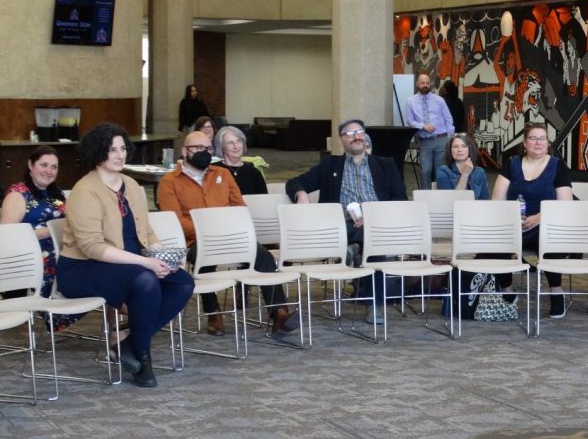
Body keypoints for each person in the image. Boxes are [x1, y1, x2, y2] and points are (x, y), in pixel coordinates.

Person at [55, 124, 195, 388]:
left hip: (129, 265)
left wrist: (162, 256)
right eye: (112, 150)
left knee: (183, 283)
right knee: (146, 280)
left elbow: (146, 231)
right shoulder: (85, 190)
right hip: (82, 268)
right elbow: (91, 247)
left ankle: (128, 342)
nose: (120, 155)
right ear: (98, 153)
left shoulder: (130, 184)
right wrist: (146, 263)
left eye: (122, 149)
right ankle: (143, 358)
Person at [159, 131, 297, 340]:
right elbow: (174, 220)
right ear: (185, 151)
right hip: (195, 240)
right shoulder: (170, 182)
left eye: (207, 148)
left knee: (265, 257)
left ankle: (279, 313)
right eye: (198, 148)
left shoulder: (223, 175)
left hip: (231, 237)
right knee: (204, 262)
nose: (204, 152)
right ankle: (213, 313)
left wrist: (227, 229)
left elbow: (239, 208)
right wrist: (209, 230)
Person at [285, 118, 407, 325]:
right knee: (371, 242)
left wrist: (371, 216)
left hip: (376, 224)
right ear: (342, 140)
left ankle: (354, 250)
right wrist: (301, 194)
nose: (356, 136)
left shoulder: (385, 164)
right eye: (350, 134)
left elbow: (400, 199)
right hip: (341, 226)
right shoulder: (330, 165)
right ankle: (373, 305)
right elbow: (294, 182)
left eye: (359, 132)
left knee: (372, 236)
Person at [492, 121, 573, 318]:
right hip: (515, 224)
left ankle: (556, 294)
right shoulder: (512, 164)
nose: (538, 143)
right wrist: (513, 218)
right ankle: (507, 292)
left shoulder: (557, 165)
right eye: (533, 138)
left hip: (546, 223)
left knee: (549, 239)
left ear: (548, 142)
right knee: (495, 241)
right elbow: (497, 200)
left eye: (542, 138)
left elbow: (564, 204)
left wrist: (539, 217)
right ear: (525, 142)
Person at [0, 146, 76, 320]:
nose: (49, 171)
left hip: (63, 249)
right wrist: (51, 231)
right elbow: (6, 237)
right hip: (33, 257)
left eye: (54, 167)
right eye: (44, 165)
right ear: (30, 165)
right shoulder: (18, 194)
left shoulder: (56, 193)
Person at [406, 72, 454, 190]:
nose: (425, 85)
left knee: (440, 171)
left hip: (441, 139)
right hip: (425, 141)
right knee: (425, 170)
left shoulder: (439, 100)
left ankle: (440, 197)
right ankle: (425, 198)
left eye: (427, 83)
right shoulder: (410, 101)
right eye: (422, 83)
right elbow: (410, 121)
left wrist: (449, 137)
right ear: (418, 84)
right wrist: (423, 126)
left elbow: (448, 118)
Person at [213, 125, 268, 196]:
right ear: (222, 147)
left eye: (239, 141)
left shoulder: (254, 173)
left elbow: (263, 200)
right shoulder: (213, 170)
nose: (236, 146)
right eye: (230, 143)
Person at [436, 133, 489, 199]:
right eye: (455, 147)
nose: (460, 150)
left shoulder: (480, 171)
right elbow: (450, 201)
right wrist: (465, 174)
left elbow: (485, 200)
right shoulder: (443, 171)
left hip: (476, 208)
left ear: (469, 150)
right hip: (453, 209)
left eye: (464, 146)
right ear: (450, 151)